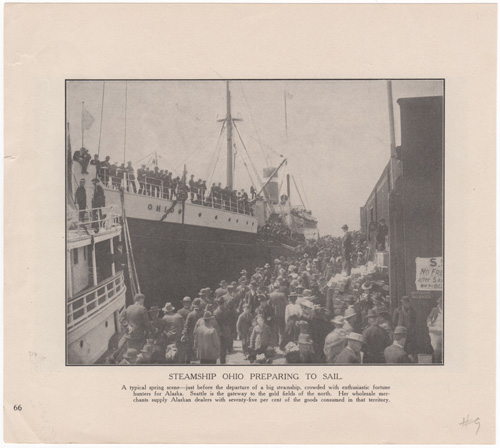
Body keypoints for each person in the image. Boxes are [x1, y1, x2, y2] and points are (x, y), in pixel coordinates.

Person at [392, 296, 417, 361]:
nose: (407, 304)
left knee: (410, 347)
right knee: (401, 346)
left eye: (408, 303)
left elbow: (414, 321)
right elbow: (394, 322)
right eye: (406, 303)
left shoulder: (412, 311)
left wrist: (412, 330)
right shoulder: (397, 311)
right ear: (403, 303)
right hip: (400, 332)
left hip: (409, 332)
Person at [181, 298, 204, 363]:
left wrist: (184, 334)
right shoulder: (203, 313)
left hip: (191, 334)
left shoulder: (190, 314)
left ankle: (187, 363)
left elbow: (186, 325)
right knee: (201, 349)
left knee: (189, 350)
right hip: (201, 334)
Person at [213, 297, 232, 364]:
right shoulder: (227, 311)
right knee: (224, 349)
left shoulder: (215, 312)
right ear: (224, 303)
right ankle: (222, 362)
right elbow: (230, 322)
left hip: (218, 332)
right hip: (225, 332)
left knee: (218, 347)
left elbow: (214, 323)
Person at [427, 295, 443, 363]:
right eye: (440, 303)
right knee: (436, 348)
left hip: (442, 331)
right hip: (435, 331)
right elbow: (429, 318)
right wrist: (429, 322)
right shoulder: (434, 310)